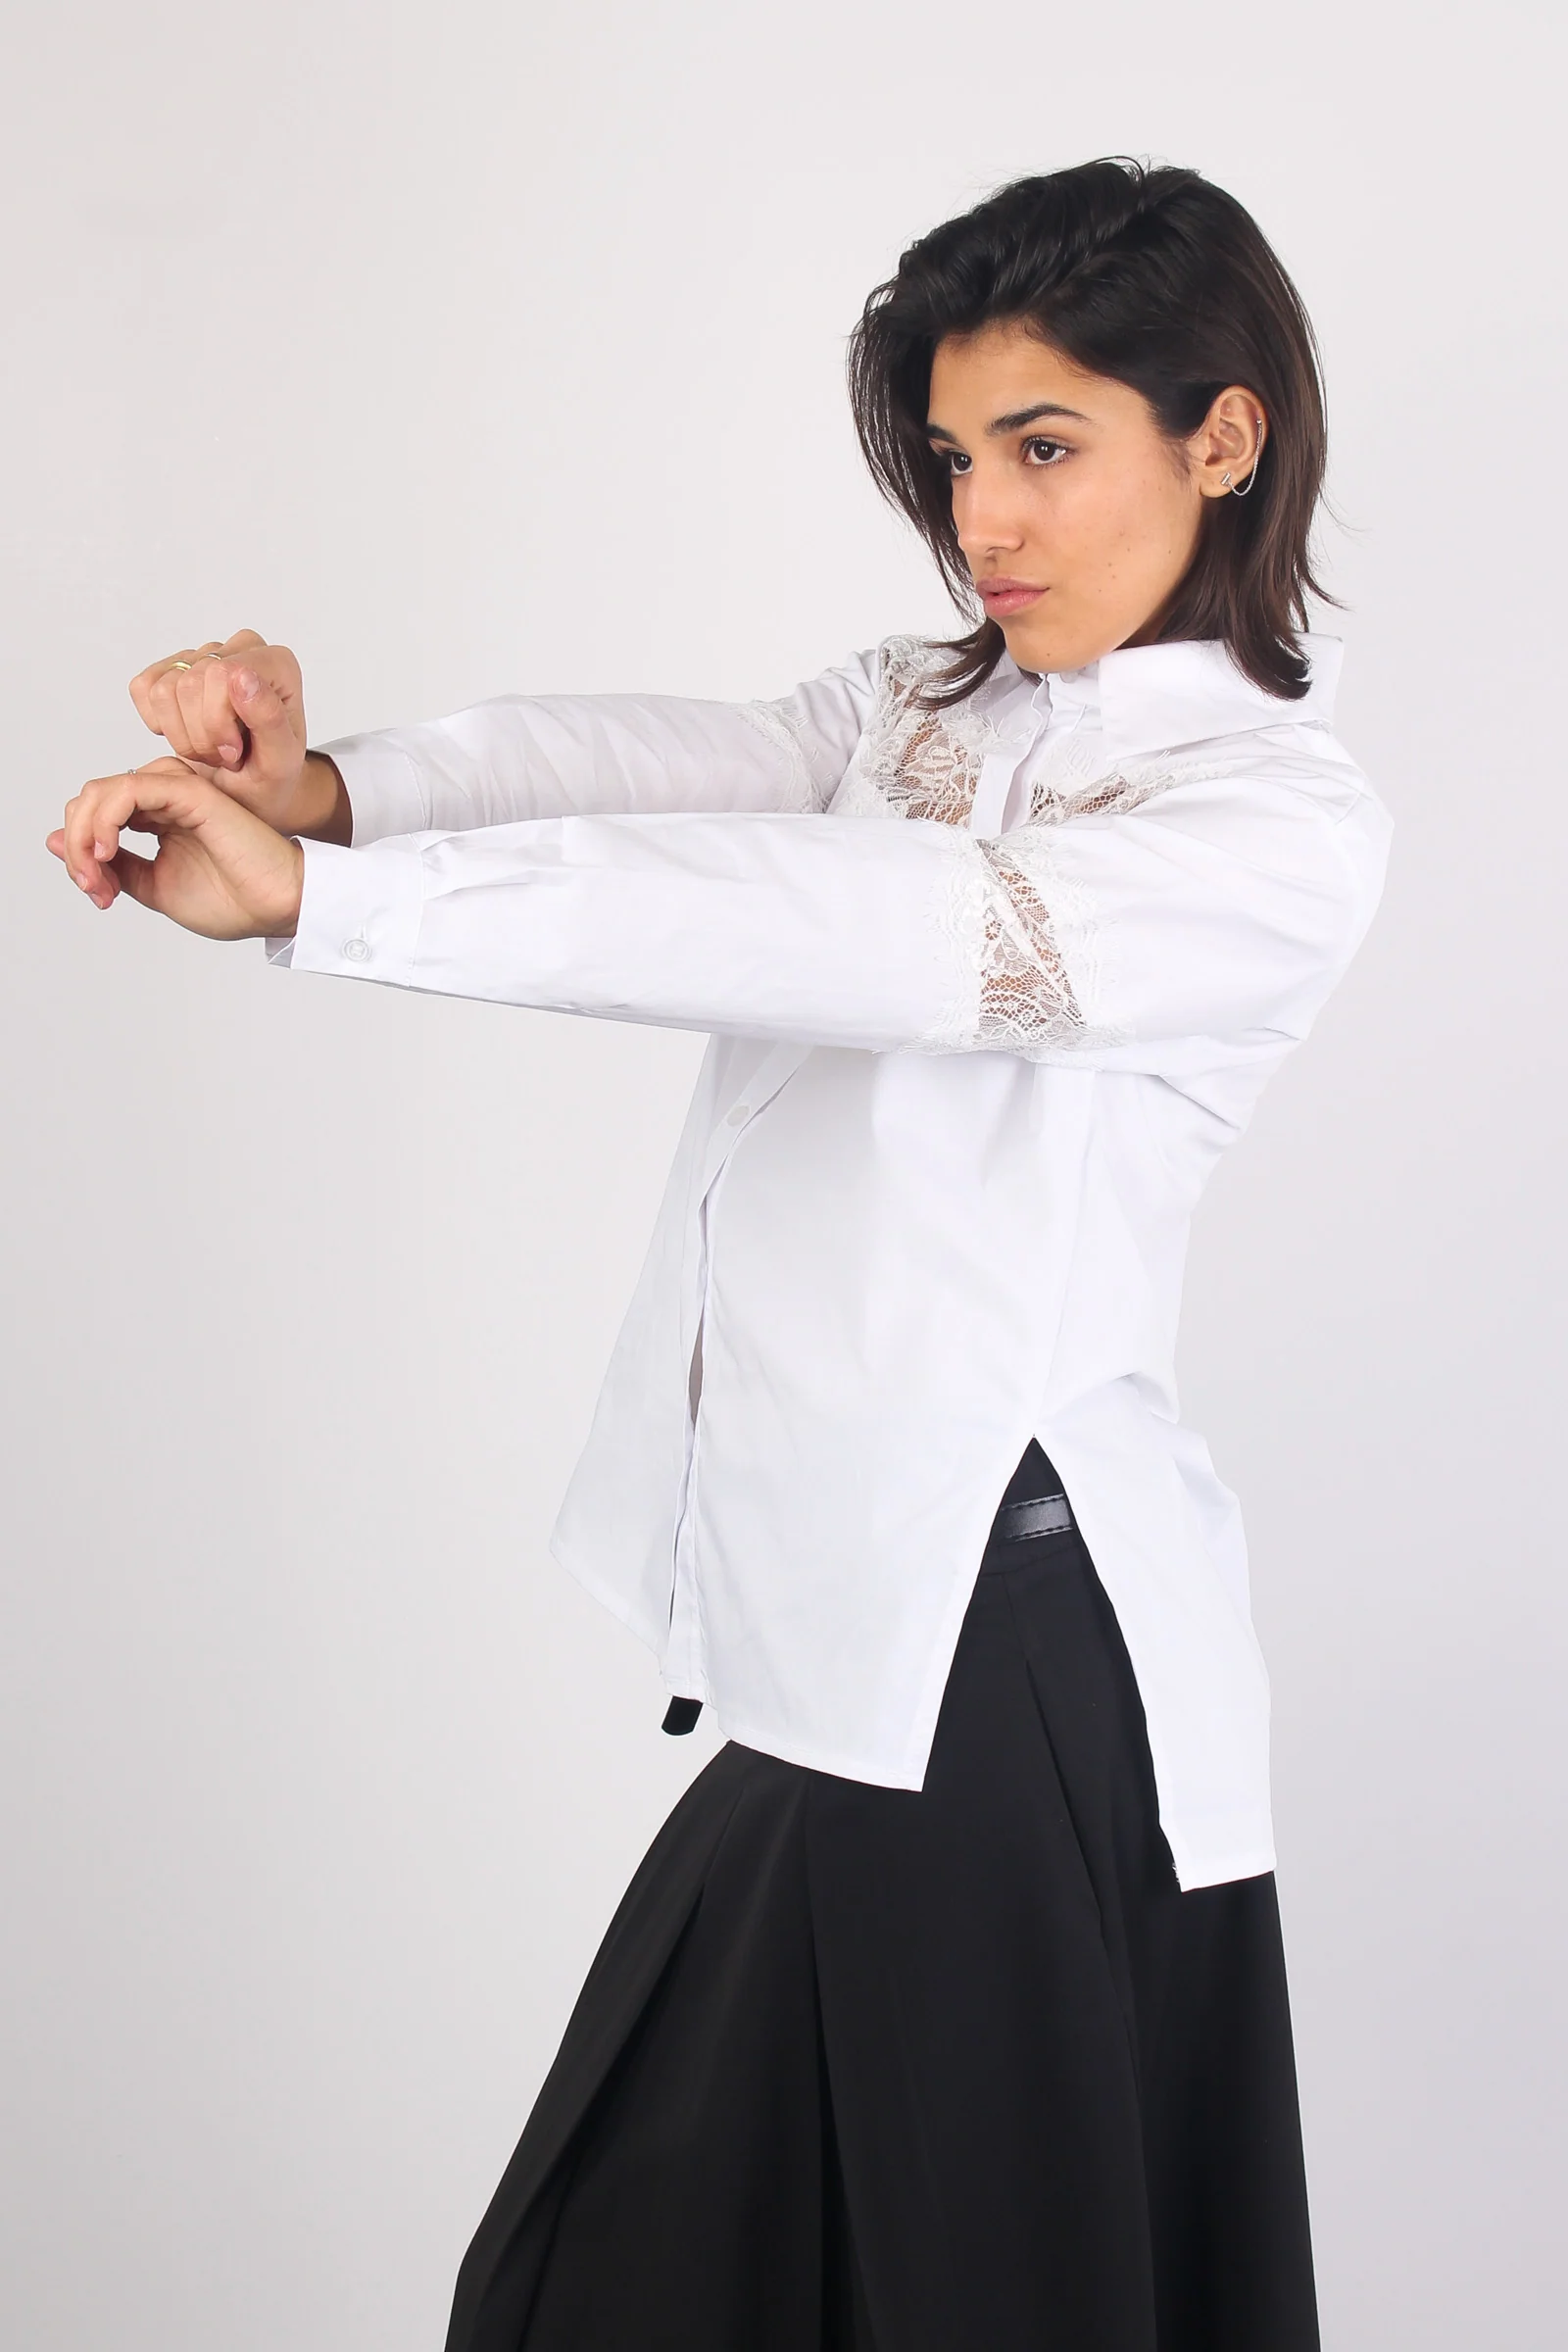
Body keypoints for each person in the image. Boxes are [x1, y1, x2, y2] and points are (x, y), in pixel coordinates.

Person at [49, 158, 1391, 2350]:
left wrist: (337, 911)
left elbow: (842, 928)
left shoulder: (1267, 830)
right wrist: (332, 802)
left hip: (1000, 1647)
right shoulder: (914, 713)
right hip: (852, 1655)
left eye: (1045, 447)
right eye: (954, 459)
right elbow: (658, 770)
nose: (984, 519)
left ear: (1220, 434)